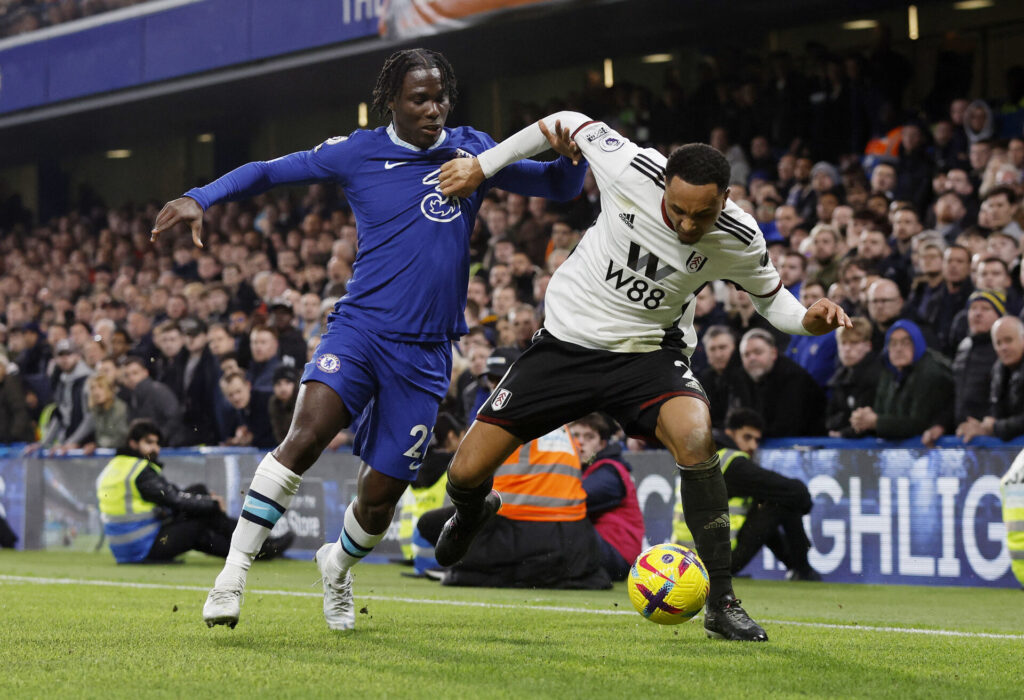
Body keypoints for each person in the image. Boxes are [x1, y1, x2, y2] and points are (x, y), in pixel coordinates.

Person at [151, 48, 585, 630]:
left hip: (427, 353)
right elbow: (268, 170)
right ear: (391, 103)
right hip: (360, 331)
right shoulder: (357, 152)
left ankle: (337, 567)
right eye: (419, 99)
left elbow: (556, 187)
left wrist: (571, 157)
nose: (434, 110)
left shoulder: (474, 149)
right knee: (303, 439)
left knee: (379, 497)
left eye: (440, 98)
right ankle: (232, 573)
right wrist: (198, 197)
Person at [434, 112, 850, 641]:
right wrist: (481, 167)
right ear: (664, 186)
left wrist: (810, 320)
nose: (686, 224)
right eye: (677, 210)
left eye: (701, 214)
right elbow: (563, 120)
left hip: (649, 354)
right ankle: (474, 512)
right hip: (566, 344)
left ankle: (722, 602)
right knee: (464, 475)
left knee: (697, 437)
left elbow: (777, 305)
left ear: (725, 197)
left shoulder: (739, 237)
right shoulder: (629, 166)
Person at [415, 424, 611, 589]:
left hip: (521, 529)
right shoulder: (565, 428)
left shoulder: (505, 419)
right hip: (576, 539)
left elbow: (468, 476)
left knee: (433, 524)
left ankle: (466, 572)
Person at [96, 420, 293, 565]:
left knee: (198, 494)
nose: (155, 448)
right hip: (143, 546)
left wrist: (205, 500)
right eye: (149, 442)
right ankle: (261, 548)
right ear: (133, 444)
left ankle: (255, 548)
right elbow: (174, 500)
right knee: (202, 521)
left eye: (157, 443)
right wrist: (212, 504)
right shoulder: (140, 470)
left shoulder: (114, 467)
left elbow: (168, 498)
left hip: (124, 548)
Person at [674, 408, 819, 581]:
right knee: (781, 502)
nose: (753, 446)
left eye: (757, 440)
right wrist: (805, 505)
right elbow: (796, 492)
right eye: (747, 437)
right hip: (717, 561)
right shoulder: (733, 464)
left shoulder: (704, 456)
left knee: (768, 499)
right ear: (730, 433)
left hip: (687, 560)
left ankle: (794, 567)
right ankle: (802, 571)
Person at [569, 413, 644, 582]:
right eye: (575, 436)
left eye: (589, 437)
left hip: (617, 555)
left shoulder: (611, 471)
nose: (580, 442)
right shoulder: (585, 470)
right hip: (605, 549)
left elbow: (574, 498)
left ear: (602, 444)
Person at [849, 320, 953, 440]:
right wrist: (864, 419)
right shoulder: (889, 372)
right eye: (893, 343)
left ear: (917, 344)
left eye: (905, 343)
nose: (898, 349)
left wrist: (876, 422)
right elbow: (881, 411)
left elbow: (919, 423)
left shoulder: (930, 373)